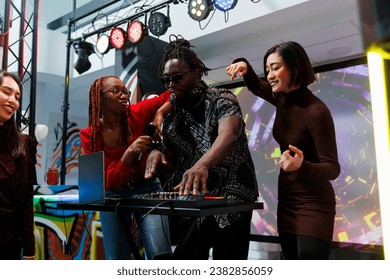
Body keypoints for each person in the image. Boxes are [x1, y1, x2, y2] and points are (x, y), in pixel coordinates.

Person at [145, 35, 259, 260]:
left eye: (177, 78)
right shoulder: (172, 118)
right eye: (166, 80)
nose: (171, 85)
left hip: (231, 202)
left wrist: (202, 164)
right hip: (197, 204)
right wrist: (157, 156)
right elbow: (172, 165)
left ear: (196, 72)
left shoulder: (222, 99)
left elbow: (230, 133)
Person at [226, 41, 340, 260]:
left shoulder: (317, 111)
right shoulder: (282, 97)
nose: (269, 75)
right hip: (288, 200)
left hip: (313, 204)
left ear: (295, 68)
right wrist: (245, 68)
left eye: (276, 67)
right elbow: (256, 86)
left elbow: (332, 168)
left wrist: (302, 166)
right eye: (268, 69)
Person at [79, 75, 172, 260]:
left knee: (160, 257)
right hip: (113, 195)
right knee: (117, 260)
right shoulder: (90, 136)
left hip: (147, 187)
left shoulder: (137, 112)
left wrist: (160, 112)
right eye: (116, 91)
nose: (124, 96)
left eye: (125, 91)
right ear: (99, 97)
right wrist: (128, 155)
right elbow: (108, 182)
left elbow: (170, 95)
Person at [0, 70, 38, 260]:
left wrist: (29, 249)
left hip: (9, 244)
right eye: (6, 92)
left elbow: (26, 200)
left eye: (17, 96)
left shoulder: (23, 144)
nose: (13, 100)